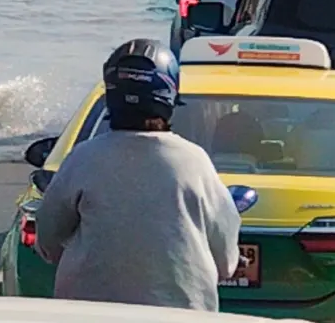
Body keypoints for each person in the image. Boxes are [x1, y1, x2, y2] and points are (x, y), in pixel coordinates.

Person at [34, 38, 241, 311]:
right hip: (180, 313)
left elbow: (48, 240)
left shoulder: (83, 158)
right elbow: (226, 259)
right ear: (169, 95)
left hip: (88, 311)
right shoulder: (195, 162)